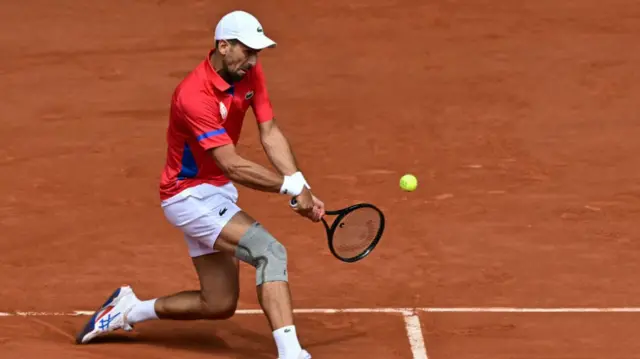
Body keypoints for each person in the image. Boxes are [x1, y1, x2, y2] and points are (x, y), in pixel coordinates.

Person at [75, 10, 324, 359]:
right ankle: (291, 354)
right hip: (187, 195)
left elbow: (269, 131)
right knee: (270, 252)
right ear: (223, 46)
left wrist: (301, 182)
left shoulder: (248, 72)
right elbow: (232, 163)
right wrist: (289, 188)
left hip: (217, 191)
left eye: (257, 53)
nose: (254, 60)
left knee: (218, 303)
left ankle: (127, 310)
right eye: (247, 51)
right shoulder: (194, 94)